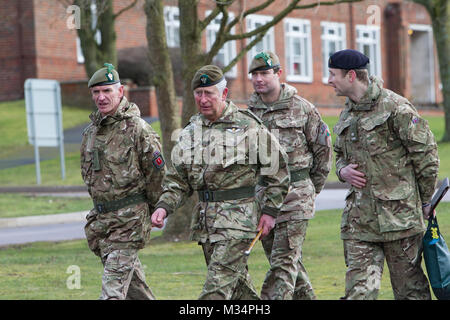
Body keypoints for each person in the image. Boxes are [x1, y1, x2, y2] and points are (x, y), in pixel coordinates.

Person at [151, 65, 290, 300]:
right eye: (198, 93)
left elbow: (278, 171)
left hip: (238, 222)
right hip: (207, 225)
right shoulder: (190, 131)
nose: (203, 99)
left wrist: (270, 211)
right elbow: (178, 179)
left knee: (215, 292)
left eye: (209, 93)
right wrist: (164, 207)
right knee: (239, 293)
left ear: (224, 94)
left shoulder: (248, 126)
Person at [329, 49, 440, 300]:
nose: (329, 80)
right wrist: (342, 170)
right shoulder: (347, 112)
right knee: (359, 293)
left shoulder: (396, 107)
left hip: (399, 221)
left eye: (333, 74)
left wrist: (424, 201)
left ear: (351, 76)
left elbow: (426, 156)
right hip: (359, 223)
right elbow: (339, 154)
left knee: (411, 293)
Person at [247, 51, 332, 300]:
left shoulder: (303, 108)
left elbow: (323, 152)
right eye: (254, 74)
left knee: (283, 263)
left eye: (264, 73)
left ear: (278, 74)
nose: (259, 79)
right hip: (264, 199)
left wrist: (309, 190)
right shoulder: (249, 113)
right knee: (286, 262)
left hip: (296, 197)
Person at [81, 63, 165, 300]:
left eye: (107, 91)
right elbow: (90, 176)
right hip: (103, 223)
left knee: (112, 291)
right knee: (134, 288)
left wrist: (154, 209)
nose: (101, 97)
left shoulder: (138, 129)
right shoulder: (90, 133)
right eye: (96, 92)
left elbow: (157, 174)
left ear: (120, 92)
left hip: (129, 221)